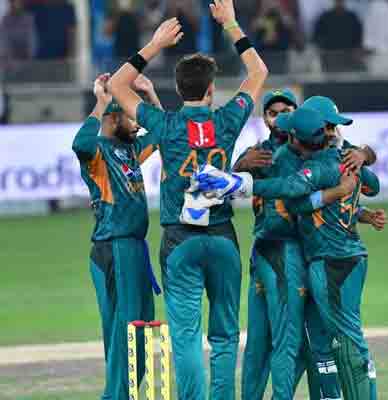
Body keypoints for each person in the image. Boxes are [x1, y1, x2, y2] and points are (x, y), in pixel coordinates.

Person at [108, 0, 268, 398]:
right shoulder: (228, 119)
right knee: (226, 333)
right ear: (212, 90)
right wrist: (230, 23)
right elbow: (259, 71)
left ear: (178, 89)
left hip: (179, 240)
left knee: (185, 336)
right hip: (223, 237)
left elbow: (116, 85)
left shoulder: (164, 123)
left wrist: (156, 43)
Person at [192, 106, 382, 400]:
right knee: (308, 341)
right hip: (308, 255)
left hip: (322, 260)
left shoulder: (321, 162)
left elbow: (297, 196)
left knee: (324, 342)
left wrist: (234, 184)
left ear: (299, 135)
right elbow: (336, 194)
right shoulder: (290, 155)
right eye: (273, 112)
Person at [72, 73, 163, 400]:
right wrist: (100, 99)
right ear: (112, 118)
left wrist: (150, 94)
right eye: (129, 115)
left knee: (139, 327)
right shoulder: (97, 152)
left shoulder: (130, 149)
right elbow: (79, 144)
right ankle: (116, 396)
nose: (136, 122)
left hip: (135, 249)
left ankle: (120, 393)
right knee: (124, 328)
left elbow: (164, 132)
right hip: (114, 247)